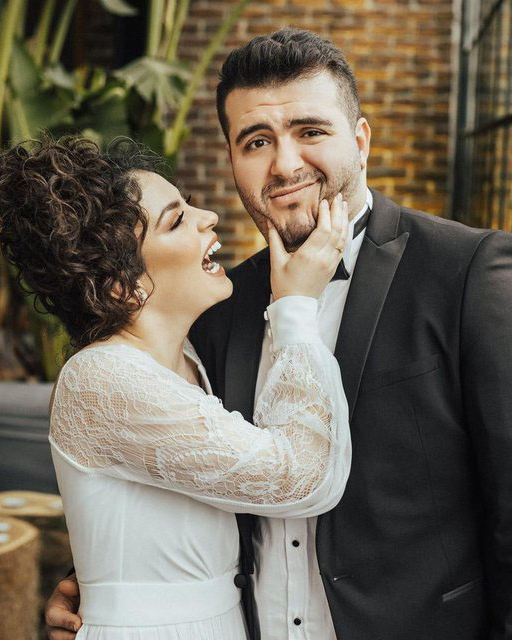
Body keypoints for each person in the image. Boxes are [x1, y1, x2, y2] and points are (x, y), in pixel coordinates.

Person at [46, 27, 512, 640]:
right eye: (258, 141)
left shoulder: (468, 271)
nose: (285, 164)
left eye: (310, 131)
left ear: (361, 141)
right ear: (232, 158)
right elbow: (175, 471)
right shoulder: (214, 306)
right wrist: (100, 585)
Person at [0, 136, 353, 639]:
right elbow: (299, 477)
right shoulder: (102, 380)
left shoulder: (188, 356)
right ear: (123, 286)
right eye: (176, 220)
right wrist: (296, 307)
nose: (208, 216)